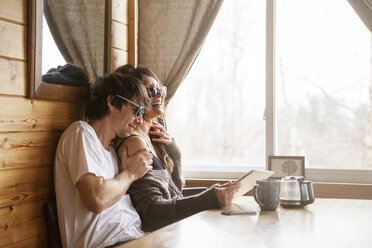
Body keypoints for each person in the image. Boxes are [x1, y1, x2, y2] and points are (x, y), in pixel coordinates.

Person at [115, 64, 240, 232]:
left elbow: (175, 191)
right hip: (158, 236)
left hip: (171, 229)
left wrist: (175, 154)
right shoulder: (135, 144)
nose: (159, 95)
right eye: (151, 90)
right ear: (136, 96)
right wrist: (210, 198)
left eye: (161, 90)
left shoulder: (154, 137)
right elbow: (152, 211)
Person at [54, 72, 154, 248]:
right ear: (112, 102)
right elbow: (97, 199)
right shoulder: (80, 133)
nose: (139, 121)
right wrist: (130, 174)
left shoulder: (113, 154)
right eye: (137, 111)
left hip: (136, 236)